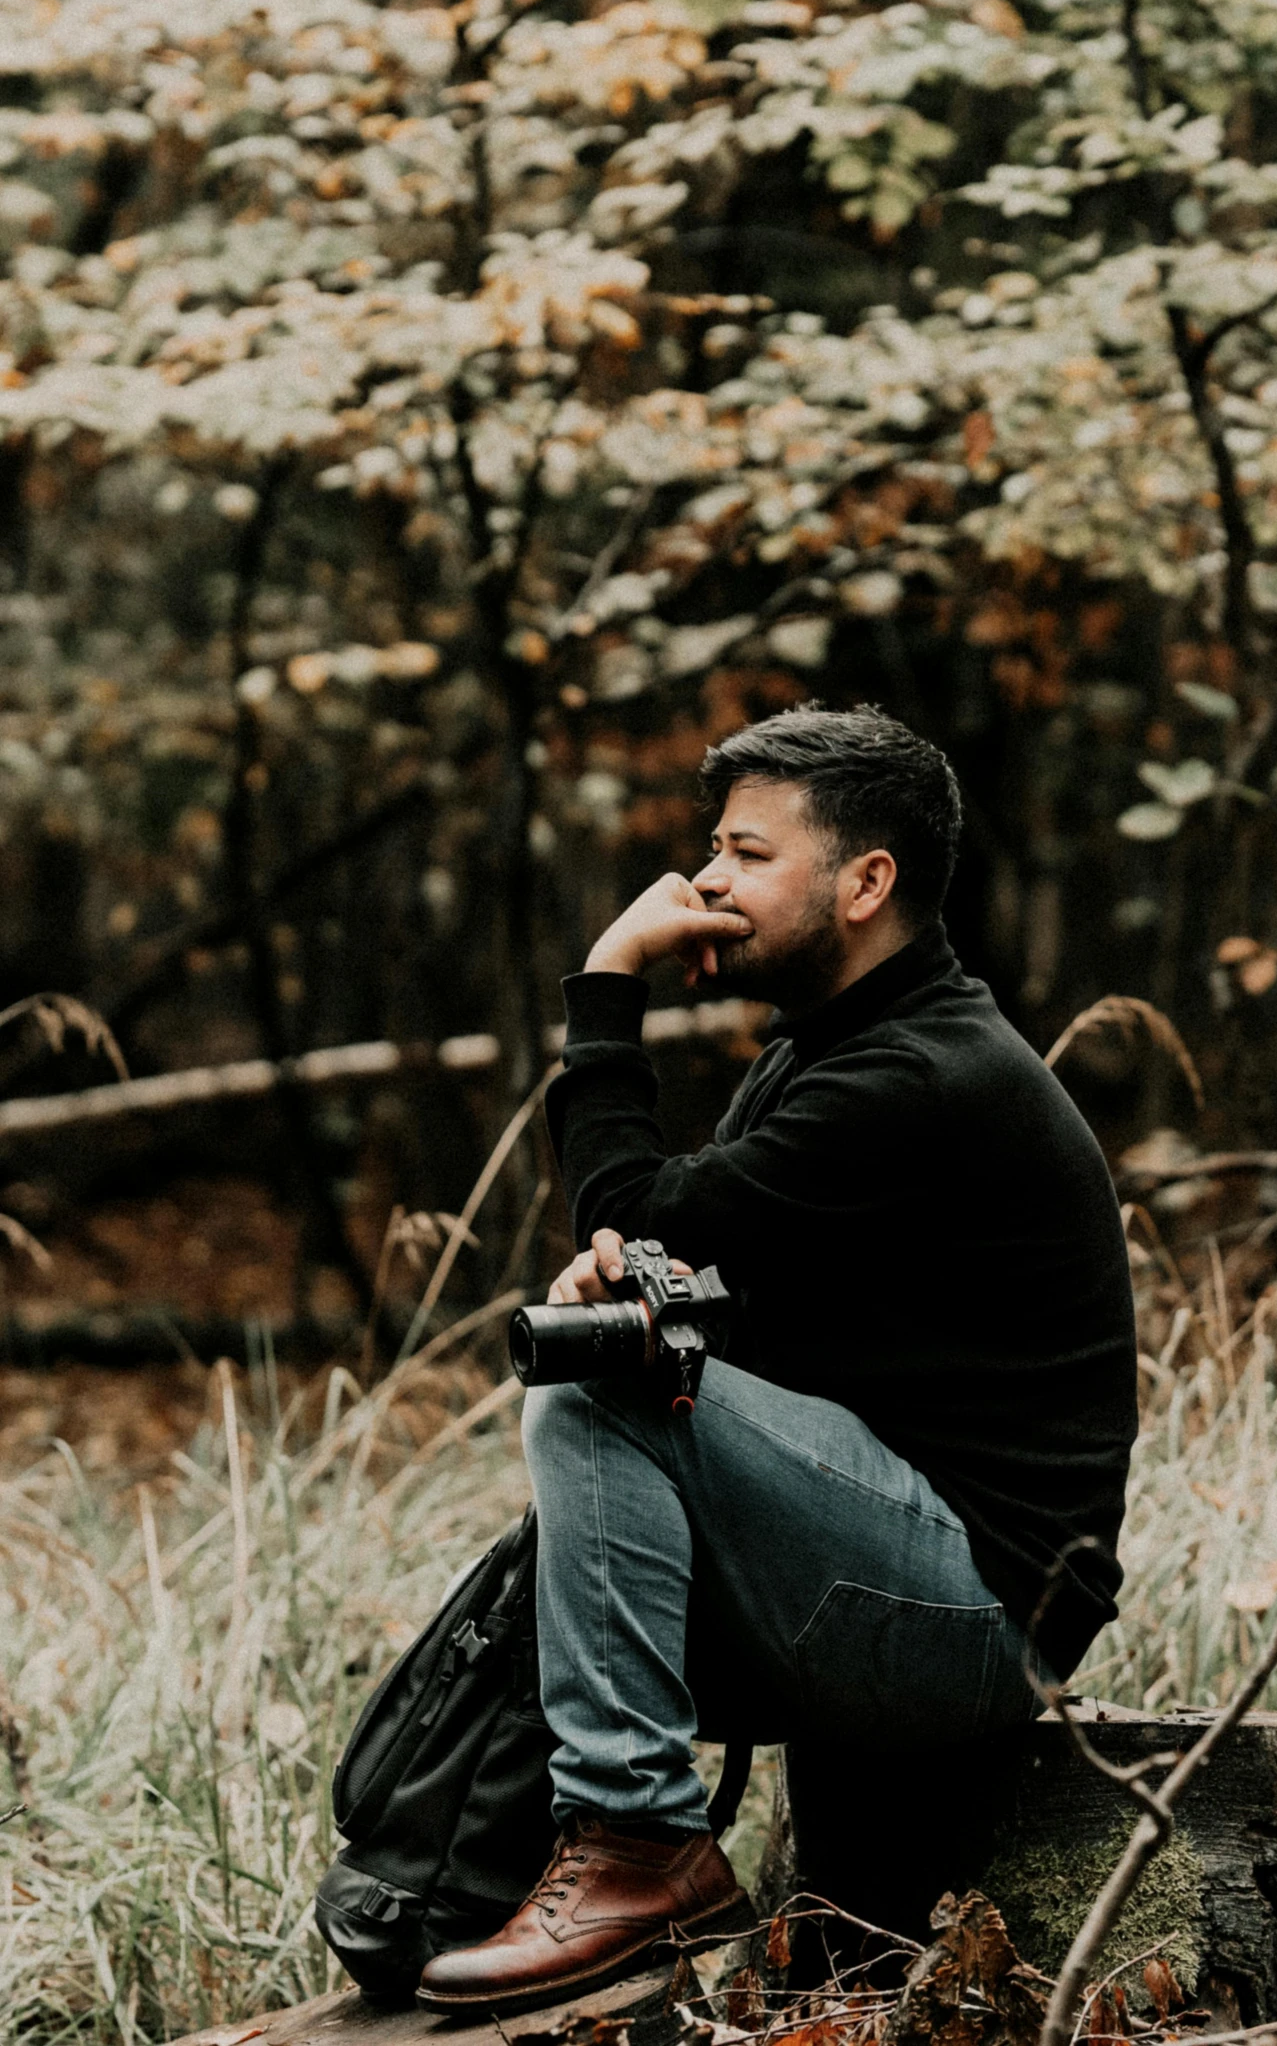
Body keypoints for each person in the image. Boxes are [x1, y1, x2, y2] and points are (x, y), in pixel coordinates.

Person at [416, 704, 1138, 2015]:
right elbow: (698, 1266)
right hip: (894, 1566)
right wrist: (644, 1278)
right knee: (596, 1414)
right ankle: (499, 1872)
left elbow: (636, 1205)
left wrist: (608, 978)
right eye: (712, 850)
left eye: (747, 854)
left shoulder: (922, 1073)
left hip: (975, 1612)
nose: (704, 883)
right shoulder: (829, 1055)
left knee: (591, 1391)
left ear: (866, 881)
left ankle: (637, 1845)